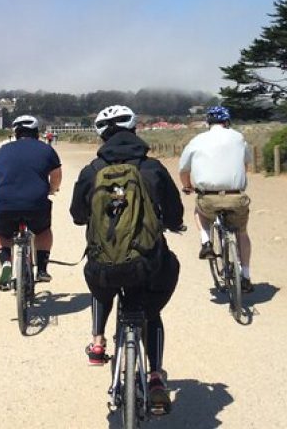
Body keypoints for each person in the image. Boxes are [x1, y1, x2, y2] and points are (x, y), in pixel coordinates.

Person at [70, 105, 183, 414]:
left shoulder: (92, 170)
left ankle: (97, 341)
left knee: (99, 282)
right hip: (148, 264)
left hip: (103, 267)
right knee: (151, 310)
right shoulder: (153, 168)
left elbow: (77, 216)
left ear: (101, 135)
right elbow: (175, 214)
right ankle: (156, 376)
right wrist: (172, 224)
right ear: (134, 130)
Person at [178, 105, 254, 292]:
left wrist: (187, 186)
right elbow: (246, 163)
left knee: (200, 212)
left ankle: (205, 242)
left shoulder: (197, 140)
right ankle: (245, 275)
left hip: (209, 197)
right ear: (226, 121)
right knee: (242, 232)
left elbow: (183, 170)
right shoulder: (238, 137)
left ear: (208, 123)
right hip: (236, 196)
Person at [0, 114, 62, 290]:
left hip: (4, 203)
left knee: (2, 236)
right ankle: (42, 269)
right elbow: (56, 176)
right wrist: (52, 189)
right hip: (36, 203)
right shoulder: (47, 149)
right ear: (37, 132)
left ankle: (6, 263)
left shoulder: (3, 150)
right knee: (43, 230)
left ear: (16, 132)